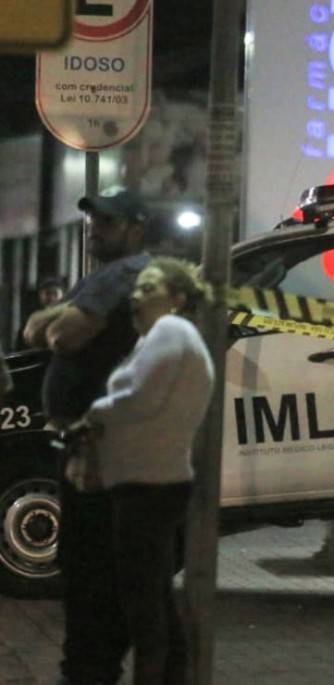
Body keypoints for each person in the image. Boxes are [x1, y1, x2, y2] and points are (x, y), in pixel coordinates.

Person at [23, 189, 151, 685]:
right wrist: (61, 318)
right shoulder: (101, 278)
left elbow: (59, 337)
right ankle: (88, 667)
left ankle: (88, 671)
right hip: (90, 446)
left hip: (104, 450)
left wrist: (62, 321)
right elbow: (36, 327)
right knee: (90, 567)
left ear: (137, 227)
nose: (96, 230)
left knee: (93, 568)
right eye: (94, 221)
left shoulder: (125, 273)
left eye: (109, 223)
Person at [70, 257, 214, 685]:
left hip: (148, 487)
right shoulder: (159, 337)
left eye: (147, 288)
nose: (135, 296)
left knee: (143, 600)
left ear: (176, 298)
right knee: (153, 595)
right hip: (146, 484)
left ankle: (156, 676)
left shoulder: (172, 331)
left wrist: (93, 415)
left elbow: (141, 398)